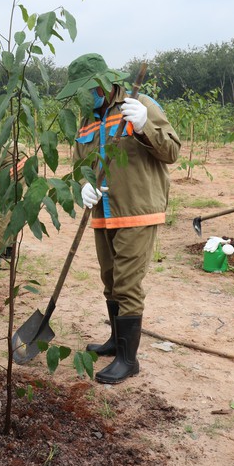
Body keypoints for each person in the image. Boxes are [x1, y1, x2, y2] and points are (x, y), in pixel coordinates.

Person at [56, 53, 180, 384]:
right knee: (110, 279)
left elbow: (172, 151)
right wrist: (82, 184)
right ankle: (116, 341)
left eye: (87, 89)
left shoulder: (140, 105)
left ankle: (129, 359)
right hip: (102, 212)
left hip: (137, 210)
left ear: (102, 82)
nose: (85, 96)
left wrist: (144, 126)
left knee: (127, 283)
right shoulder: (86, 122)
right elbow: (80, 164)